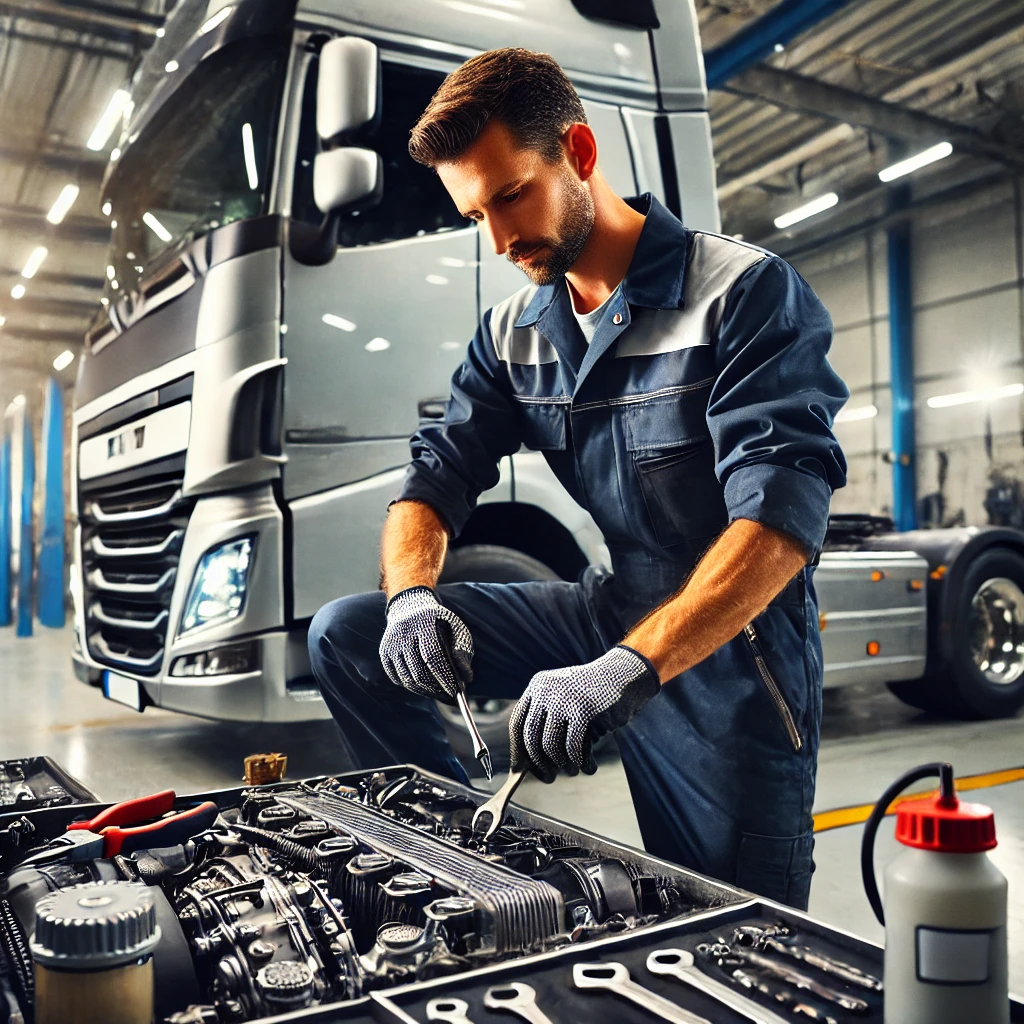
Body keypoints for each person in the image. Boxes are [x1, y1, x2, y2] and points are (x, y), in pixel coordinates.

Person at [308, 47, 848, 909]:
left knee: (726, 932)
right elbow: (431, 480)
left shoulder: (743, 294)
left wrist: (624, 669)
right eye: (474, 214)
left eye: (512, 195)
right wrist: (411, 595)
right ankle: (454, 847)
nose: (499, 240)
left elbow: (780, 527)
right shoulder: (515, 330)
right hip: (608, 606)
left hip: (735, 655)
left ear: (580, 155)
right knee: (348, 633)